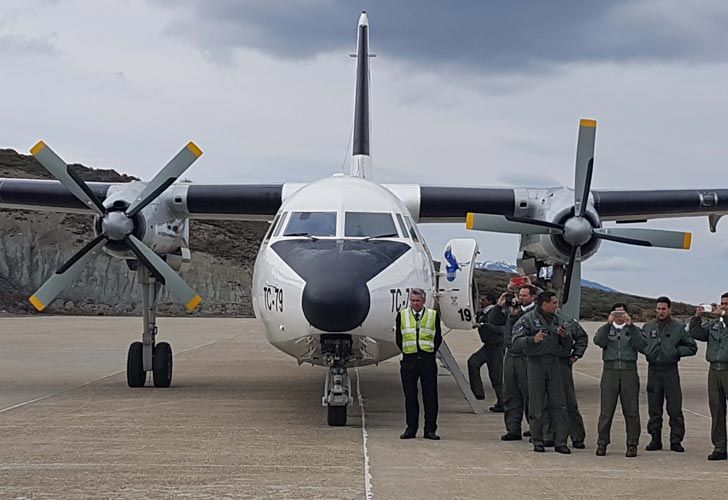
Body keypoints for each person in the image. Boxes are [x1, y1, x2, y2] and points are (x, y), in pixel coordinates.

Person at [512, 291, 572, 454]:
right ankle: (538, 440)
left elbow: (567, 347)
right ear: (544, 304)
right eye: (554, 303)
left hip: (554, 363)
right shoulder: (528, 319)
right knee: (537, 404)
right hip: (535, 364)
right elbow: (515, 343)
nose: (556, 305)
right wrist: (532, 340)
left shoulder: (559, 320)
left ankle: (560, 441)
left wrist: (565, 337)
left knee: (559, 404)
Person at [642, 296, 698, 452]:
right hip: (653, 370)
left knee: (674, 407)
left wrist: (675, 352)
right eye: (658, 309)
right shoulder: (648, 327)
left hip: (670, 370)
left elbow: (692, 347)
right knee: (654, 407)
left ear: (669, 310)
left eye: (663, 309)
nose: (660, 312)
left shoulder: (678, 327)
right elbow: (641, 343)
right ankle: (655, 439)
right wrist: (648, 352)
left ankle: (676, 440)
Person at [593, 303, 645, 457]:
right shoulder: (607, 329)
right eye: (616, 313)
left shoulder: (633, 330)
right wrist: (608, 324)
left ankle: (632, 444)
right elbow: (598, 341)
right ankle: (602, 443)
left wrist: (632, 326)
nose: (619, 317)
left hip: (629, 371)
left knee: (631, 410)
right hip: (610, 371)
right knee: (606, 411)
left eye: (622, 314)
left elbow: (641, 345)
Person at [491, 284, 538, 441]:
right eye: (520, 295)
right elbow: (494, 320)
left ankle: (536, 428)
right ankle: (513, 429)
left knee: (530, 394)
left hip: (527, 356)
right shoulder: (512, 309)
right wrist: (499, 306)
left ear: (533, 297)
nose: (521, 298)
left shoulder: (536, 313)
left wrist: (516, 315)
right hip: (510, 355)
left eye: (525, 296)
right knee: (511, 393)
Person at [395, 288, 443, 440]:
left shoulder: (432, 315)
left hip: (427, 360)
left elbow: (437, 337)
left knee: (430, 396)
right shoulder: (402, 315)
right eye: (413, 300)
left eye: (418, 301)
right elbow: (398, 337)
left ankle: (430, 429)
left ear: (423, 301)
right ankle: (411, 428)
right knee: (410, 397)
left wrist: (428, 352)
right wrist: (408, 351)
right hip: (409, 360)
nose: (415, 303)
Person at [688, 293, 728, 460]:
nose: (723, 306)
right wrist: (697, 317)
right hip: (714, 369)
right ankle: (720, 447)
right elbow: (696, 333)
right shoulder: (713, 325)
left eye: (727, 304)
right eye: (722, 303)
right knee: (716, 409)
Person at [467, 293, 505, 411]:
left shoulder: (496, 314)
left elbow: (502, 329)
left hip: (497, 346)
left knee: (496, 376)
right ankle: (478, 392)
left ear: (489, 301)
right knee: (473, 362)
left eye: (483, 300)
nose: (481, 302)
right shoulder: (481, 313)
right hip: (488, 346)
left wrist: (485, 326)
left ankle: (503, 402)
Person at [558, 314, 588, 449]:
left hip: (561, 362)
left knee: (569, 401)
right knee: (543, 400)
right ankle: (547, 434)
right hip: (542, 363)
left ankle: (577, 436)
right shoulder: (531, 318)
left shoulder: (567, 321)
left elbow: (582, 337)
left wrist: (576, 354)